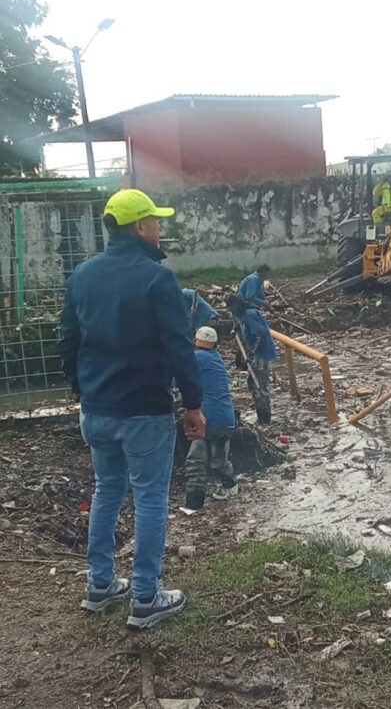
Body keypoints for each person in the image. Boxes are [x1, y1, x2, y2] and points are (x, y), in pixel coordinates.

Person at [59, 188, 205, 630]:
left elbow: (68, 340)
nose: (160, 229)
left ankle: (100, 584)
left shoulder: (82, 275)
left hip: (97, 408)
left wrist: (82, 391)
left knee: (106, 490)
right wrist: (193, 404)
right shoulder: (156, 278)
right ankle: (145, 596)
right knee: (148, 498)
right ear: (140, 227)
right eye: (156, 222)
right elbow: (179, 347)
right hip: (144, 410)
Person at [185, 326, 237, 509]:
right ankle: (231, 486)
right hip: (227, 419)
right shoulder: (216, 358)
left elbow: (178, 376)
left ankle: (194, 503)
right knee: (218, 460)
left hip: (209, 418)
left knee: (195, 461)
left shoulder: (197, 357)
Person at [225, 294, 276, 424]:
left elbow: (259, 336)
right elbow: (242, 325)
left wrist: (253, 355)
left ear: (237, 305)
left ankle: (265, 418)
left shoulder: (250, 315)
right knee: (252, 382)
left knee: (259, 385)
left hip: (262, 354)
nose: (231, 311)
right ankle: (262, 415)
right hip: (258, 353)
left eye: (231, 308)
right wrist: (236, 329)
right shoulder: (242, 315)